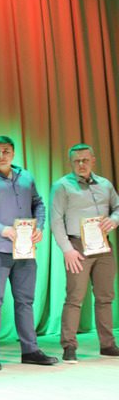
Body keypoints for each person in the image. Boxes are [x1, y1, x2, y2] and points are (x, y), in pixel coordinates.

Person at [0, 136, 58, 370]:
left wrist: (39, 227)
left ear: (13, 153)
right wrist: (1, 229)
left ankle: (30, 350)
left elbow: (38, 204)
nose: (1, 156)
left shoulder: (26, 177)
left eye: (6, 151)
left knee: (25, 301)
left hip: (24, 250)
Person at [50, 143, 119, 363]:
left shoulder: (105, 185)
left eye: (85, 160)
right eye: (77, 161)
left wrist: (114, 220)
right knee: (74, 298)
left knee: (105, 297)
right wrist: (67, 250)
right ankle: (69, 346)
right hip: (77, 246)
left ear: (93, 160)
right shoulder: (62, 186)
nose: (81, 164)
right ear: (71, 162)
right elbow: (55, 221)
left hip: (103, 246)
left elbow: (117, 208)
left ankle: (107, 345)